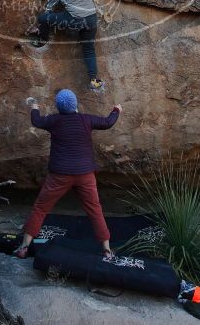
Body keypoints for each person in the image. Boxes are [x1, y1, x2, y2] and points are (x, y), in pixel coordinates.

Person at [14, 90, 122, 259]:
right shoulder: (86, 120)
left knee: (41, 208)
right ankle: (107, 250)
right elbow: (108, 122)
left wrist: (35, 107)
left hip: (59, 175)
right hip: (84, 174)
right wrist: (117, 109)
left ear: (59, 106)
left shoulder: (54, 121)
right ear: (75, 104)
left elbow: (36, 121)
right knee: (95, 210)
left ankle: (24, 247)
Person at [30, 0, 110, 92]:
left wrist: (40, 28)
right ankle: (94, 80)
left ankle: (42, 40)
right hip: (91, 18)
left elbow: (48, 14)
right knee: (89, 49)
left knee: (43, 18)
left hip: (76, 21)